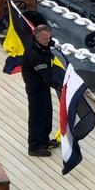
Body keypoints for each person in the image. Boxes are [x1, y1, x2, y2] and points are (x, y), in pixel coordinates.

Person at [20, 24, 63, 156]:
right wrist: (60, 87)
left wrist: (53, 43)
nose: (47, 41)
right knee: (37, 117)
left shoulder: (42, 44)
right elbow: (46, 76)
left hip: (42, 86)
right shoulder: (34, 55)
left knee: (47, 113)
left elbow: (49, 43)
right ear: (36, 37)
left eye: (48, 38)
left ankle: (44, 141)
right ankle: (34, 147)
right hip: (35, 88)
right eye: (45, 40)